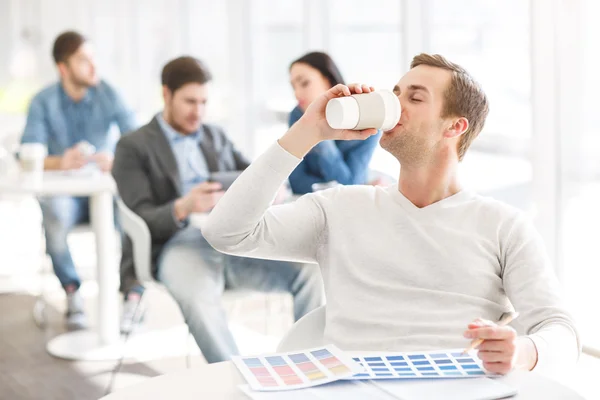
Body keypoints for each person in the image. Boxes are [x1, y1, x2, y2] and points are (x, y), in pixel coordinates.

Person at [203, 53, 581, 375]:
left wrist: (522, 352)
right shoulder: (341, 208)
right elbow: (226, 232)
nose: (396, 105)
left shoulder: (503, 226)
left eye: (415, 98)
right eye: (396, 94)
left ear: (455, 126)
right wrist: (307, 132)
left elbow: (561, 332)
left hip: (456, 391)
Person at [112, 56, 324, 363]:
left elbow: (254, 174)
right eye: (189, 101)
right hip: (179, 245)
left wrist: (273, 189)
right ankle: (238, 382)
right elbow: (139, 218)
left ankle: (308, 366)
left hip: (231, 241)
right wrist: (183, 207)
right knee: (200, 300)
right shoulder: (133, 146)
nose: (197, 111)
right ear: (166, 95)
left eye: (203, 102)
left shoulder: (215, 137)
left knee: (310, 270)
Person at [20, 31, 137, 330]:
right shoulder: (42, 102)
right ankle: (72, 292)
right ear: (63, 68)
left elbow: (137, 142)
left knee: (134, 215)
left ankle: (133, 297)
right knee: (54, 216)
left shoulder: (108, 93)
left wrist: (117, 158)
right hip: (66, 195)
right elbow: (27, 155)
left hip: (104, 191)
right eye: (84, 61)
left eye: (93, 58)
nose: (93, 67)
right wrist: (60, 161)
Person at [288, 52, 382, 194]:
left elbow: (349, 186)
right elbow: (296, 182)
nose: (296, 93)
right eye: (293, 87)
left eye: (304, 83)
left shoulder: (367, 122)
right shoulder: (297, 114)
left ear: (327, 80)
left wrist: (321, 136)